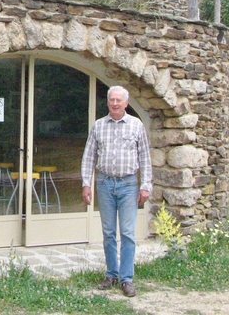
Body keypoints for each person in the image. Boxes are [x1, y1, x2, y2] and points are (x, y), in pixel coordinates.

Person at [80, 85, 152, 298]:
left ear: (126, 103)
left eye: (118, 100)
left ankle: (127, 279)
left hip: (128, 184)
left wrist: (145, 186)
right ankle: (111, 274)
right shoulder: (99, 126)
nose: (114, 103)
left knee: (128, 233)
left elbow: (145, 159)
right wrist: (86, 184)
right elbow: (89, 156)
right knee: (109, 232)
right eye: (111, 99)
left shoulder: (136, 125)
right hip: (104, 183)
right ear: (108, 102)